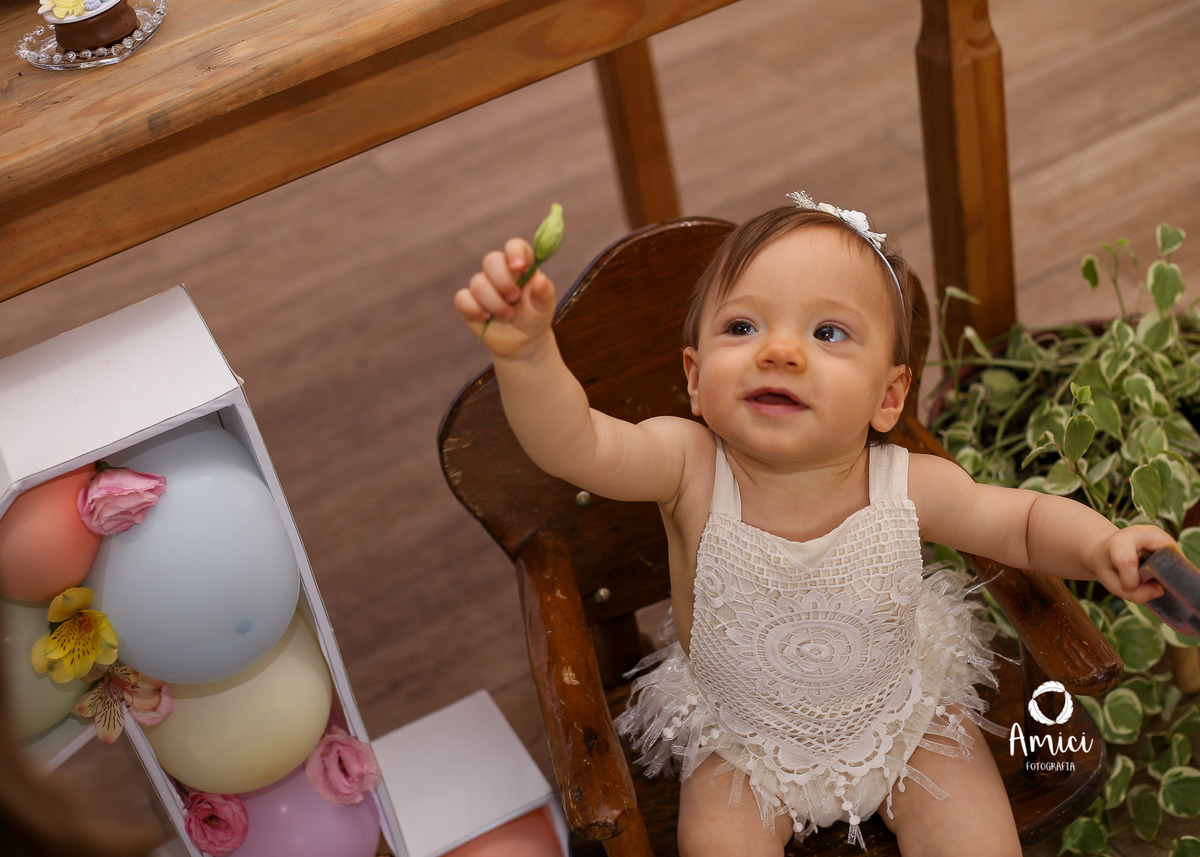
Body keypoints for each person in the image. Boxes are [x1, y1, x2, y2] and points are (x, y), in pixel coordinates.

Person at [453, 193, 1174, 857]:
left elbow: (1018, 522)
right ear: (696, 378)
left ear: (888, 396)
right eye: (743, 326)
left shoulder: (905, 482)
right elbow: (576, 443)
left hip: (900, 710)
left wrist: (1100, 543)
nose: (780, 350)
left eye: (828, 332)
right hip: (744, 735)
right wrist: (526, 355)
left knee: (976, 837)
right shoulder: (687, 466)